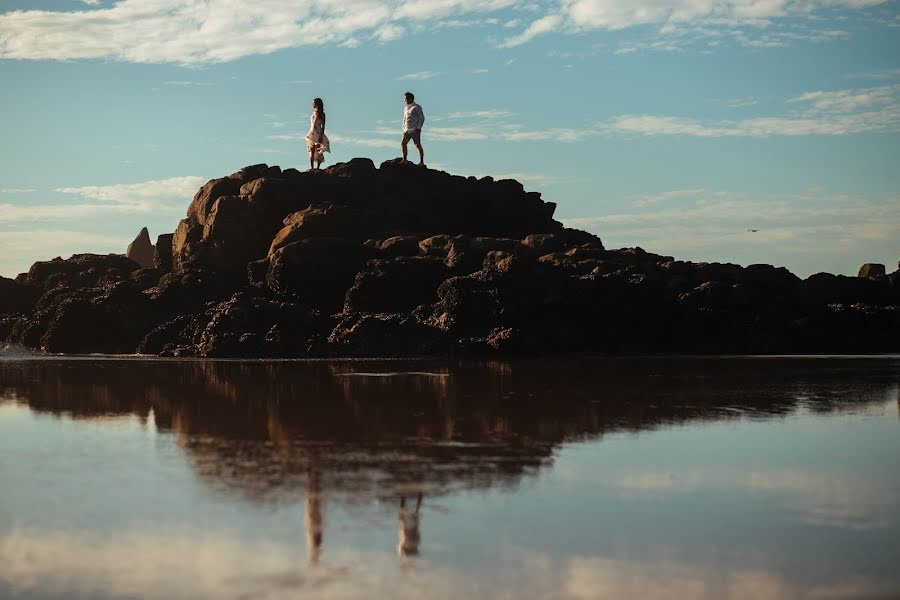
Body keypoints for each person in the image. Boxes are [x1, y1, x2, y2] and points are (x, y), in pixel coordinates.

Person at [306, 97, 330, 170]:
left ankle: (318, 168)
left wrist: (321, 136)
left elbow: (323, 126)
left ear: (316, 104)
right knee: (312, 150)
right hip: (312, 132)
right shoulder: (314, 113)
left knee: (319, 151)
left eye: (313, 102)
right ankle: (312, 168)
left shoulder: (322, 114)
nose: (312, 104)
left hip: (318, 133)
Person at [401, 92, 425, 166]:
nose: (405, 100)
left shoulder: (417, 107)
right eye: (405, 98)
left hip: (414, 129)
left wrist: (418, 128)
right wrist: (403, 127)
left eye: (407, 98)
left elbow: (422, 117)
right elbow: (404, 118)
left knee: (418, 145)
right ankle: (404, 159)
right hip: (406, 130)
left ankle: (421, 161)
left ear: (411, 98)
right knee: (403, 143)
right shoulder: (405, 108)